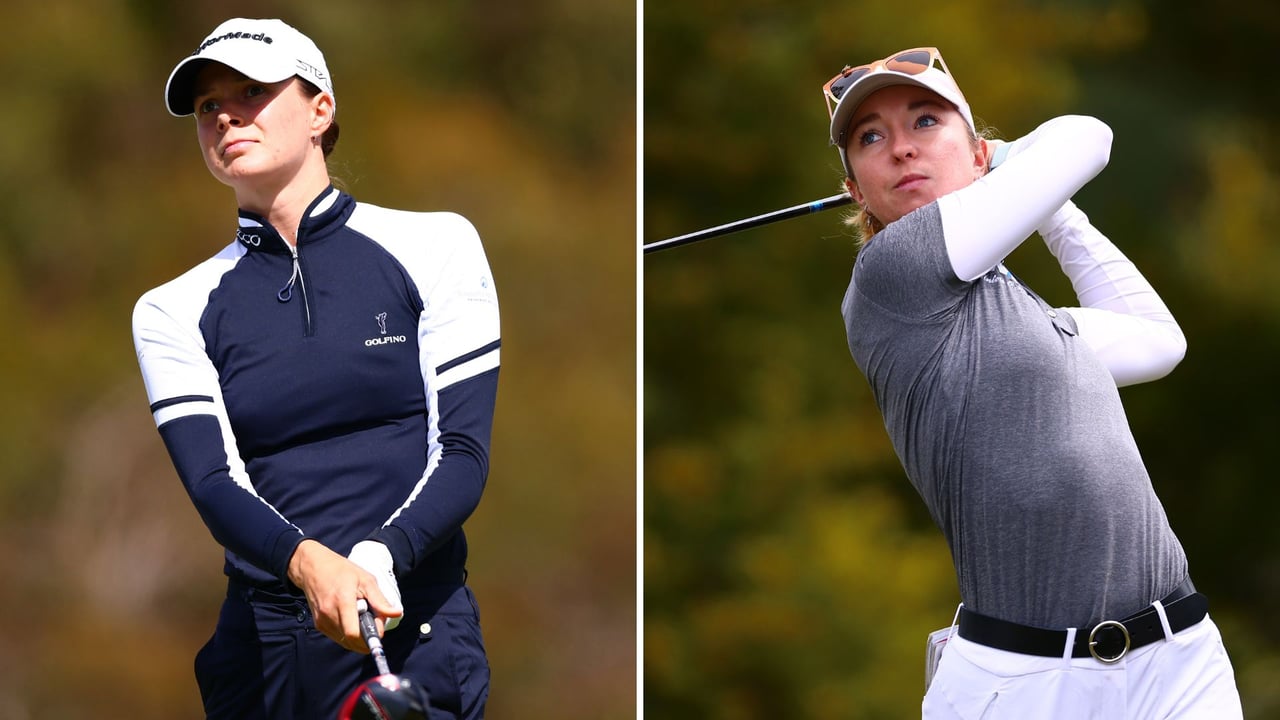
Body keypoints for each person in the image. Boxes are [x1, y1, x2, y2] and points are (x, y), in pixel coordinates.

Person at [825, 47, 1242, 718]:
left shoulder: (1027, 319)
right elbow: (1087, 138)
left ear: (977, 152)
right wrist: (1014, 161)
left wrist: (1055, 211)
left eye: (925, 122)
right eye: (871, 138)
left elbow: (1159, 340)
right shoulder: (892, 276)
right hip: (1025, 683)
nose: (901, 149)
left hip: (1178, 657)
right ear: (856, 191)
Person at [132, 18, 499, 719]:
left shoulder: (438, 246)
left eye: (251, 91)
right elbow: (213, 483)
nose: (225, 115)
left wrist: (381, 557)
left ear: (320, 109)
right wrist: (310, 564)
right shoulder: (170, 309)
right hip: (267, 648)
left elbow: (463, 452)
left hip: (413, 622)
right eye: (208, 106)